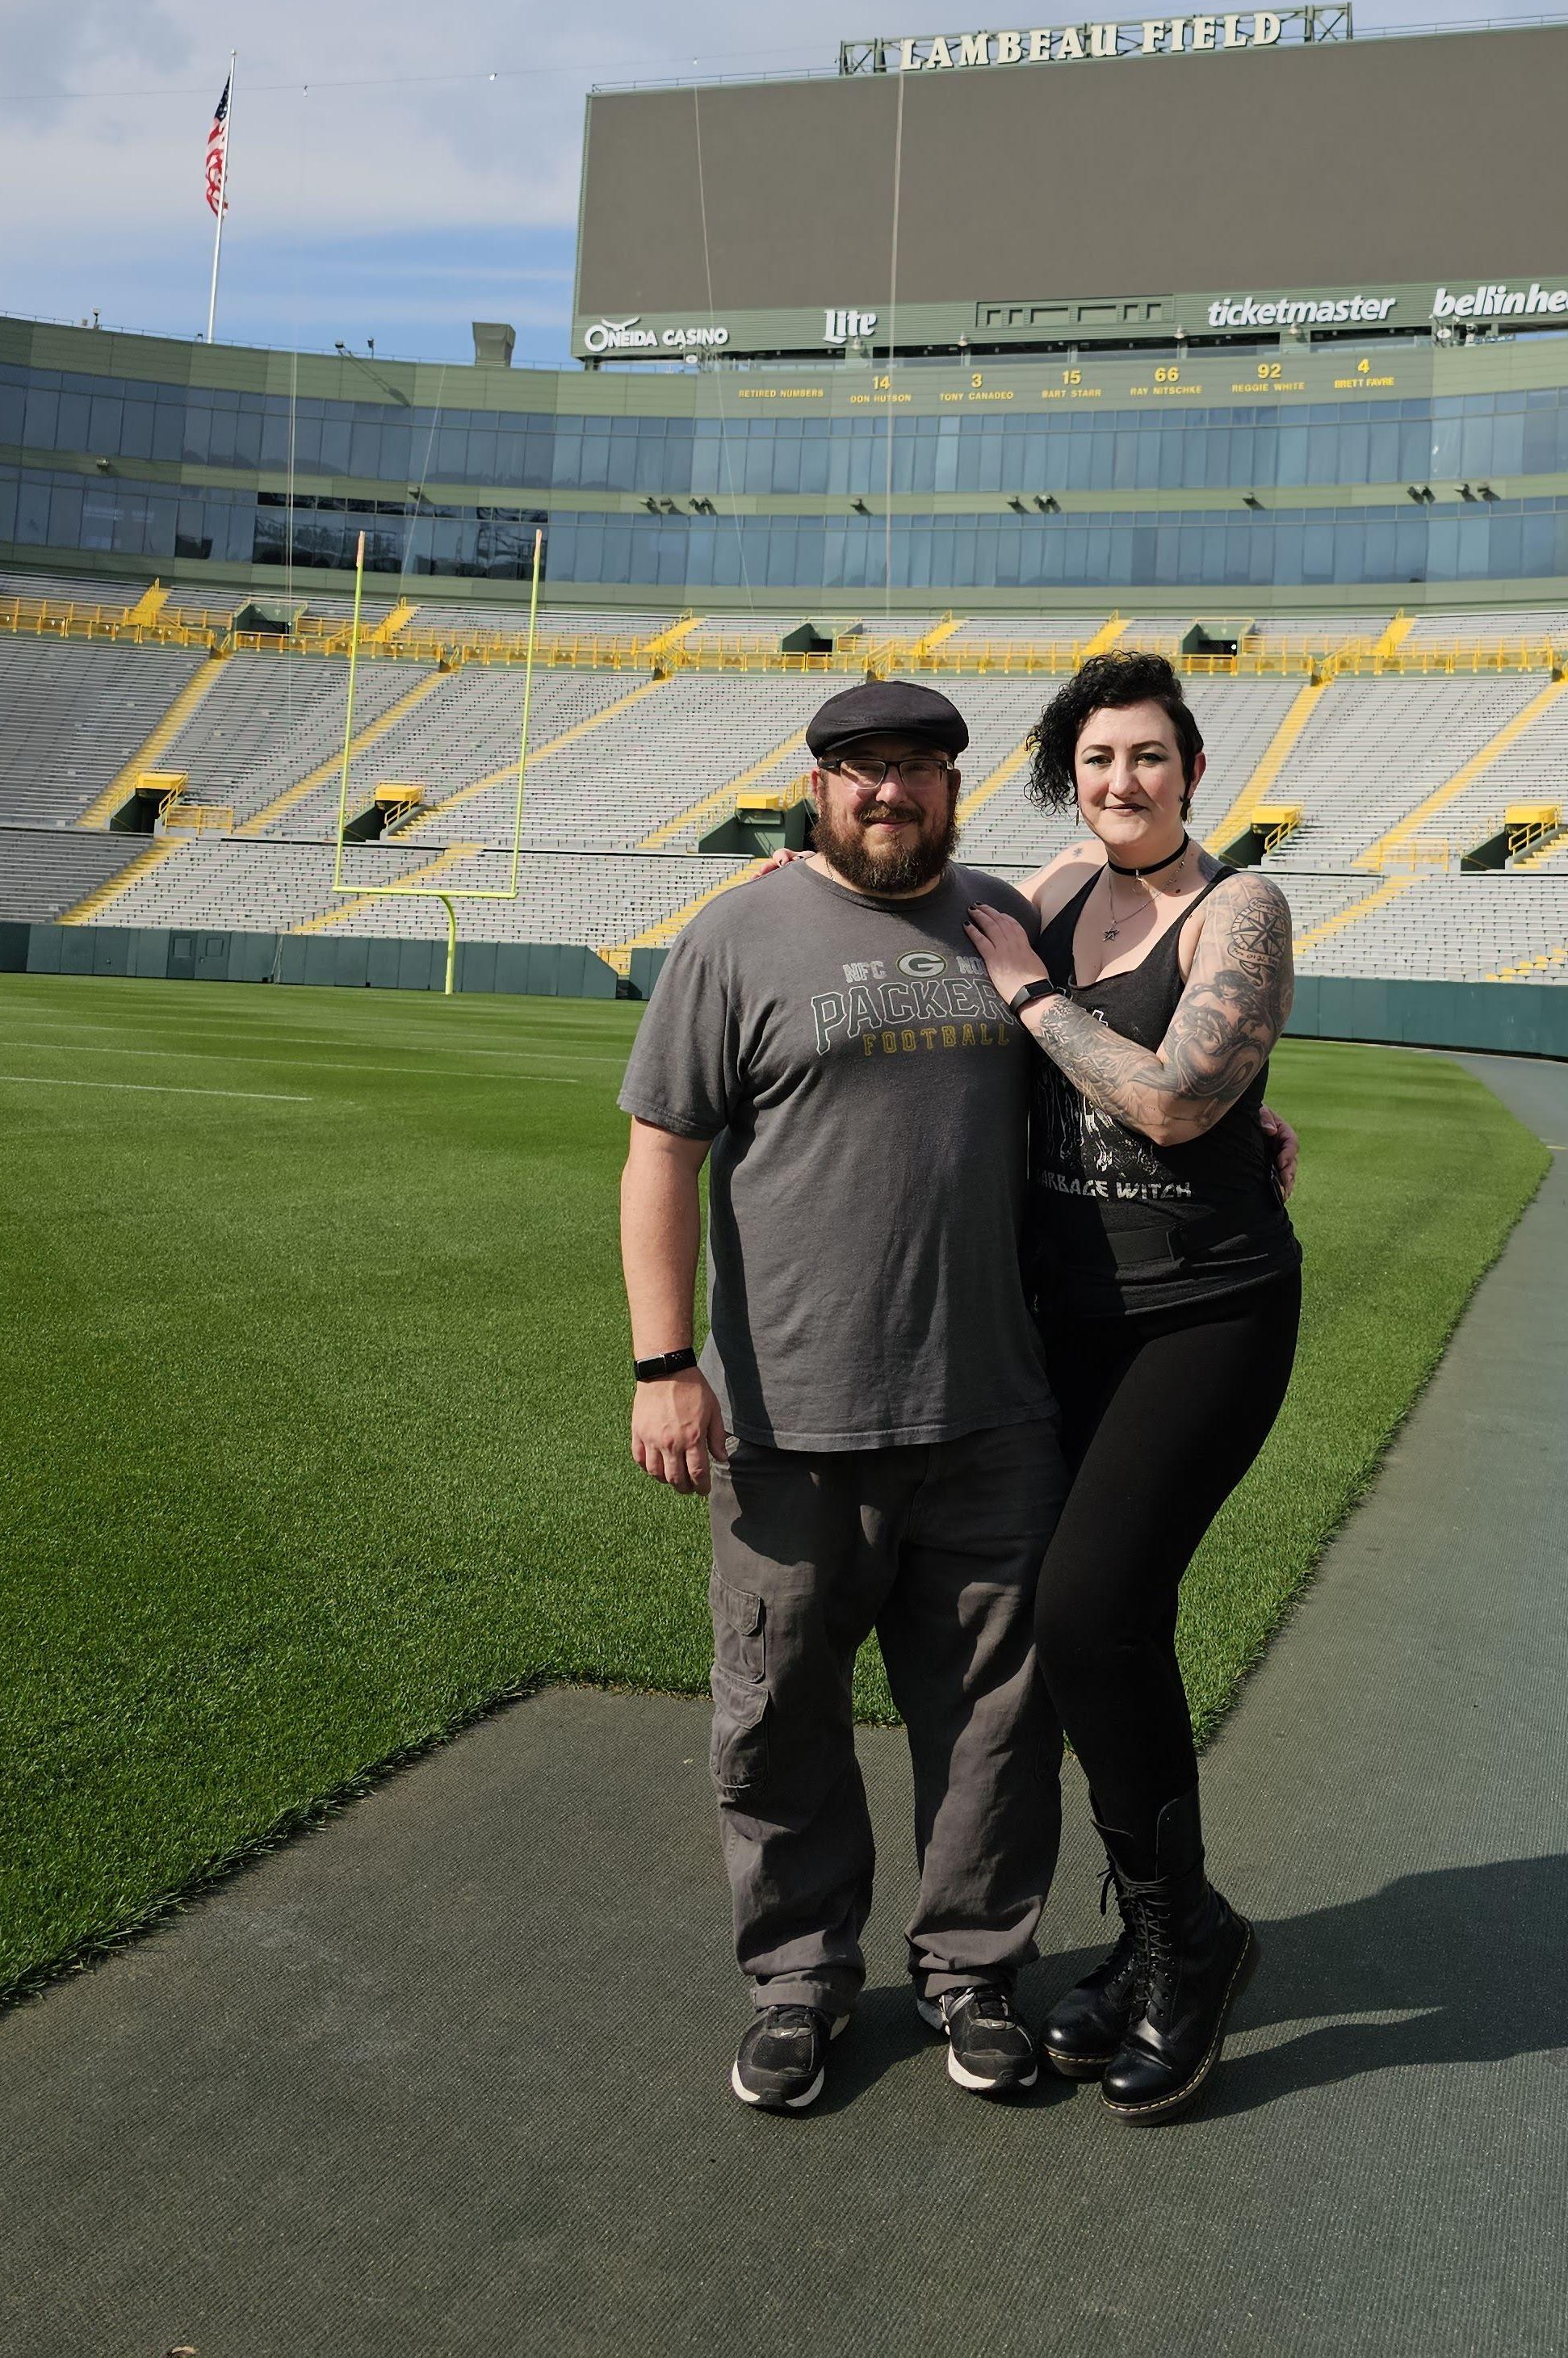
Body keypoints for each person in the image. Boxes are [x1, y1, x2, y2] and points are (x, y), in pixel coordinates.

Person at [617, 679, 1066, 2112]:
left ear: (953, 785)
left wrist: (1251, 1123)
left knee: (996, 1720)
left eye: (921, 768)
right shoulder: (738, 933)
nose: (893, 792)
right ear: (815, 789)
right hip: (789, 1420)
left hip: (993, 1409)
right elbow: (659, 1156)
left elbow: (1108, 1061)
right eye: (863, 770)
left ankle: (974, 1974)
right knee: (778, 1718)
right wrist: (662, 1363)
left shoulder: (1002, 921)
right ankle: (801, 1983)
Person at [962, 647, 1302, 2125]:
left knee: (1090, 1604)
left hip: (1208, 1314)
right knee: (1101, 1627)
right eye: (1098, 760)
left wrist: (1039, 1004)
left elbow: (1168, 1098)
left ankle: (1187, 1946)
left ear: (1193, 771)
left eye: (1149, 758)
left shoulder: (1242, 906)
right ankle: (1178, 1932)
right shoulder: (1047, 888)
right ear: (1071, 773)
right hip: (1073, 1318)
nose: (1122, 783)